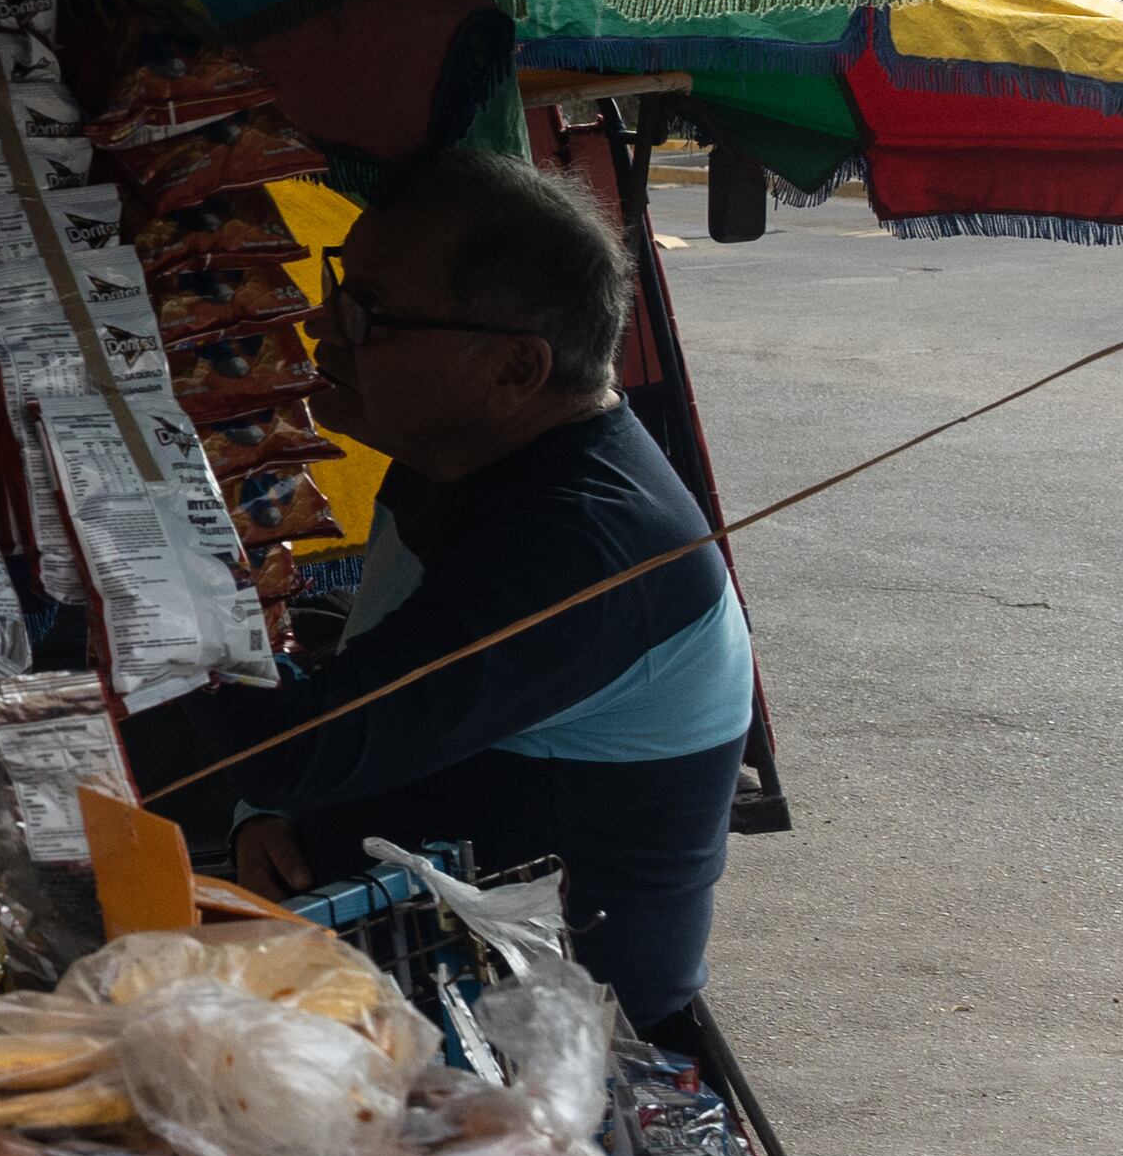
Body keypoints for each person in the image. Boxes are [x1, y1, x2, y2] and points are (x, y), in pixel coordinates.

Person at [129, 147, 753, 1038]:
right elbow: (348, 700)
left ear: (515, 370)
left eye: (368, 311)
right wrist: (271, 808)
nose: (322, 327)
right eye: (339, 286)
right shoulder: (465, 454)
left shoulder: (582, 545)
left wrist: (149, 536)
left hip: (543, 1023)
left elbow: (290, 745)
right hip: (395, 928)